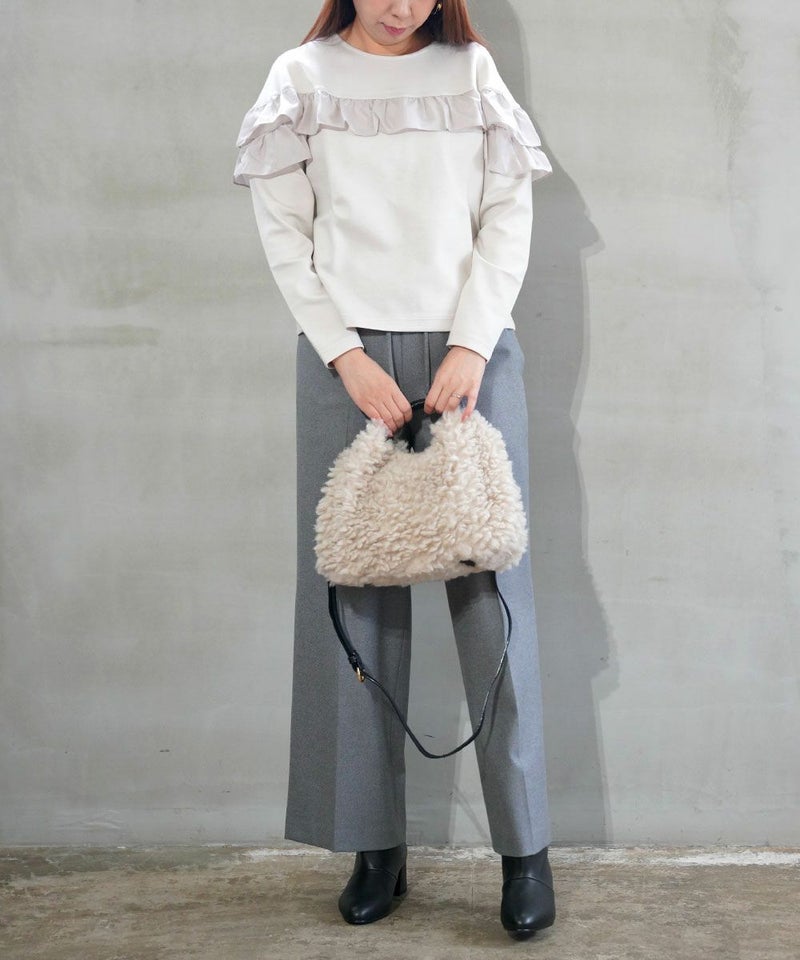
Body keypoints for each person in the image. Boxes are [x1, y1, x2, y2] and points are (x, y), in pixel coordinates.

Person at [234, 0, 556, 940]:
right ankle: (375, 846)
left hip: (471, 356)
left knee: (493, 597)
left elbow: (507, 216)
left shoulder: (471, 74)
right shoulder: (301, 81)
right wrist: (345, 355)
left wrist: (473, 343)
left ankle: (525, 851)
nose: (401, 6)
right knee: (355, 601)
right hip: (348, 361)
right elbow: (285, 235)